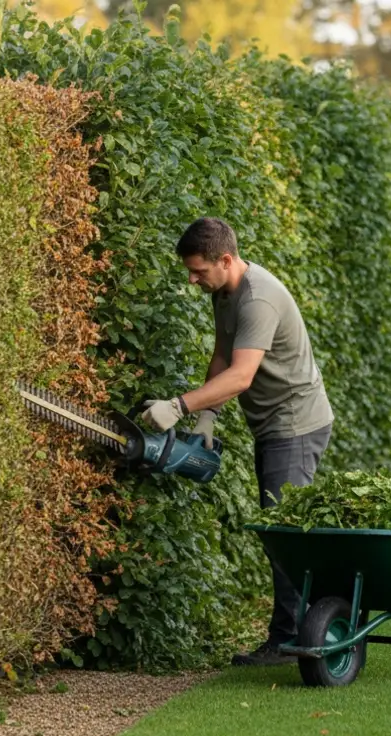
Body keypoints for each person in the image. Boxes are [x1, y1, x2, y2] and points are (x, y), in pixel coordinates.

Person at [139, 217, 334, 666]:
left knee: (283, 533)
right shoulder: (224, 292)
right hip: (272, 424)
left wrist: (180, 406)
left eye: (198, 271)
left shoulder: (258, 299)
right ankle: (297, 630)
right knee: (280, 530)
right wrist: (207, 416)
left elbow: (242, 376)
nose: (191, 279)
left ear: (225, 260)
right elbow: (223, 355)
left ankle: (289, 641)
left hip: (296, 424)